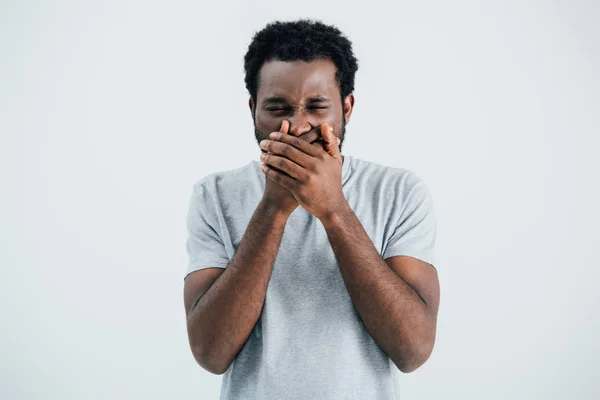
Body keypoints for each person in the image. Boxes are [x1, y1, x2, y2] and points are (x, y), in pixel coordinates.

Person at [183, 19, 440, 400]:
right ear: (253, 109)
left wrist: (333, 209)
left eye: (317, 106)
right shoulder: (215, 194)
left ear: (347, 108)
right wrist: (273, 207)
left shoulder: (399, 192)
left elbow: (413, 349)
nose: (299, 125)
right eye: (278, 107)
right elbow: (210, 353)